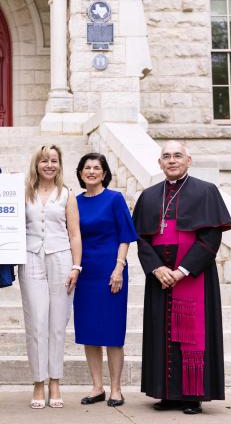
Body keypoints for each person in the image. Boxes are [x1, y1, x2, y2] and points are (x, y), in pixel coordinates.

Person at [132, 141, 231, 415]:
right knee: (161, 333)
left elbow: (211, 237)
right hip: (160, 277)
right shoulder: (150, 195)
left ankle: (191, 395)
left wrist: (182, 271)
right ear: (159, 163)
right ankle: (166, 393)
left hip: (191, 276)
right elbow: (141, 239)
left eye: (177, 155)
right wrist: (156, 269)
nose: (172, 160)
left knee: (190, 337)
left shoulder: (206, 191)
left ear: (189, 160)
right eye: (166, 156)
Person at [19, 144, 82, 409]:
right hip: (31, 257)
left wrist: (76, 267)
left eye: (54, 161)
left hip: (61, 258)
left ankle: (55, 381)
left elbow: (75, 233)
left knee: (57, 324)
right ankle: (38, 382)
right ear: (36, 164)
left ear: (60, 165)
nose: (49, 165)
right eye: (44, 160)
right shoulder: (24, 192)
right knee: (36, 323)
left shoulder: (67, 194)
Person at [73, 153, 137, 407]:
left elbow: (125, 236)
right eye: (86, 168)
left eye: (96, 168)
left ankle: (116, 389)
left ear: (104, 172)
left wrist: (119, 267)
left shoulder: (115, 199)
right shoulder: (74, 202)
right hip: (85, 272)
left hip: (111, 271)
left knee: (112, 332)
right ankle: (97, 387)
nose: (91, 171)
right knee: (89, 332)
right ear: (80, 173)